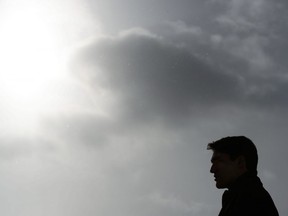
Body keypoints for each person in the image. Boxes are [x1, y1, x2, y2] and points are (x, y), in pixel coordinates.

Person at [207, 136, 279, 216]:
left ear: (240, 162)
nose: (212, 170)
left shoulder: (250, 200)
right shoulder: (244, 198)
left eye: (218, 161)